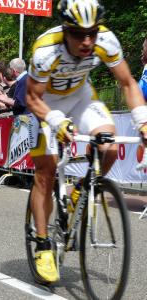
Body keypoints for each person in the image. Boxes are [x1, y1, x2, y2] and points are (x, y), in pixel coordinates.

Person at [26, 0, 147, 283]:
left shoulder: (105, 39)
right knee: (45, 172)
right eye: (79, 34)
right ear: (65, 29)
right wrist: (55, 121)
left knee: (111, 148)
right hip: (46, 104)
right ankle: (43, 244)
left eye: (92, 32)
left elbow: (128, 84)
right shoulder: (46, 49)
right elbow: (32, 98)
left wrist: (143, 120)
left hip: (81, 97)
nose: (87, 41)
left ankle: (82, 188)